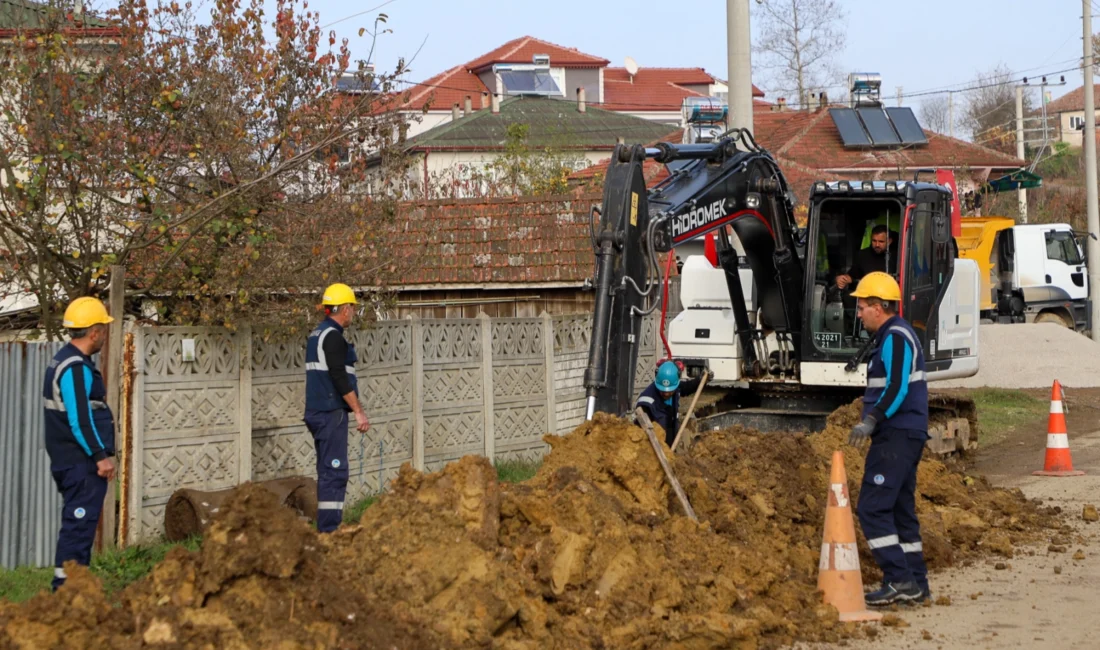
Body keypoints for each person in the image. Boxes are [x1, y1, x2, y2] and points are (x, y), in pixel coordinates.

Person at [846, 272, 930, 606]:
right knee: (899, 510)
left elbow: (897, 387)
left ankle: (898, 579)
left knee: (872, 507)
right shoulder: (894, 336)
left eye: (862, 306)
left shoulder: (895, 336)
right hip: (906, 433)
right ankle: (916, 583)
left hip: (895, 435)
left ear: (879, 308)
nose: (859, 313)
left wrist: (871, 420)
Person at [44, 297, 117, 591]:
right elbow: (79, 420)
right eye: (104, 329)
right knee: (78, 527)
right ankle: (65, 595)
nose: (104, 335)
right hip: (81, 463)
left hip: (70, 461)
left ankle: (78, 587)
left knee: (80, 525)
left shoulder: (62, 359)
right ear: (94, 333)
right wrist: (101, 457)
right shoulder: (75, 368)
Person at [304, 283, 370, 533]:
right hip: (330, 413)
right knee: (335, 472)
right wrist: (359, 411)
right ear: (344, 309)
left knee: (326, 472)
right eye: (352, 308)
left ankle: (326, 527)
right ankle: (330, 532)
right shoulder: (332, 337)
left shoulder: (317, 334)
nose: (353, 313)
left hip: (317, 412)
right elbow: (339, 377)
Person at [635, 361, 711, 446]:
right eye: (663, 390)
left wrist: (700, 380)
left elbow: (687, 387)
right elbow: (639, 433)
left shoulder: (676, 386)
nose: (666, 394)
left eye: (670, 391)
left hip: (670, 443)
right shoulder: (646, 404)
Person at [836, 225, 898, 290]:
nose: (877, 245)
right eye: (874, 241)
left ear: (889, 241)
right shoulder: (862, 255)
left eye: (881, 241)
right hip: (867, 296)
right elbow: (852, 275)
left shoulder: (897, 256)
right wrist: (842, 279)